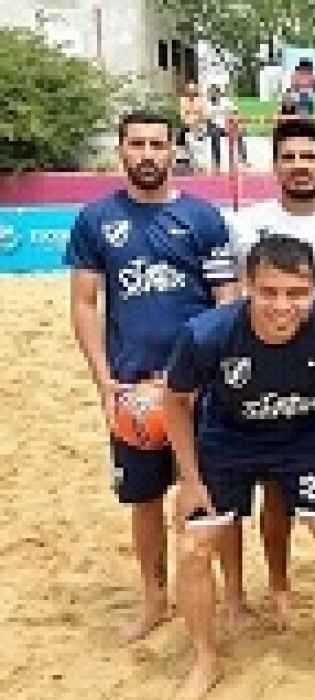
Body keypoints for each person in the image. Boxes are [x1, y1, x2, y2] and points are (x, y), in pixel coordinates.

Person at [162, 235, 315, 700]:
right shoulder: (206, 334)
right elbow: (176, 403)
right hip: (227, 442)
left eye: (296, 293)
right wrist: (189, 480)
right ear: (248, 287)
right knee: (193, 546)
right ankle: (205, 658)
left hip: (308, 439)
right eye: (269, 292)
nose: (282, 306)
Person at [65, 110, 243, 643]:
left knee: (213, 493)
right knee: (144, 499)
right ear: (121, 150)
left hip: (197, 389)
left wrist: (207, 373)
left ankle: (233, 597)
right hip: (133, 391)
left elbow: (225, 302)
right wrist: (103, 384)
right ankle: (153, 598)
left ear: (174, 151)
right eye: (137, 144)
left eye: (157, 144)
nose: (147, 154)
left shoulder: (204, 219)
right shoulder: (96, 221)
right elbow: (84, 304)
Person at [228, 118, 315, 628]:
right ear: (274, 165)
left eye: (307, 157)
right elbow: (233, 300)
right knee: (274, 493)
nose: (299, 166)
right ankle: (280, 585)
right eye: (288, 157)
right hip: (267, 383)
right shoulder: (246, 224)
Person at [205, 85, 248, 172]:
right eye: (211, 93)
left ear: (219, 94)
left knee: (239, 134)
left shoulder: (226, 102)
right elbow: (208, 120)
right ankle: (217, 162)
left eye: (215, 93)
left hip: (228, 125)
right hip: (216, 127)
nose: (213, 95)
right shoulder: (208, 105)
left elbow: (236, 112)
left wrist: (237, 124)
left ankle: (243, 159)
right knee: (214, 135)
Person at [176, 81, 206, 172]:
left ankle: (198, 163)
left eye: (193, 91)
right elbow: (182, 114)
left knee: (199, 138)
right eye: (189, 90)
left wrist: (196, 123)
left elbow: (203, 114)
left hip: (198, 124)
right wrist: (190, 122)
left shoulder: (200, 100)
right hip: (186, 123)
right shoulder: (182, 100)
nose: (191, 93)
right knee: (181, 137)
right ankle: (183, 161)